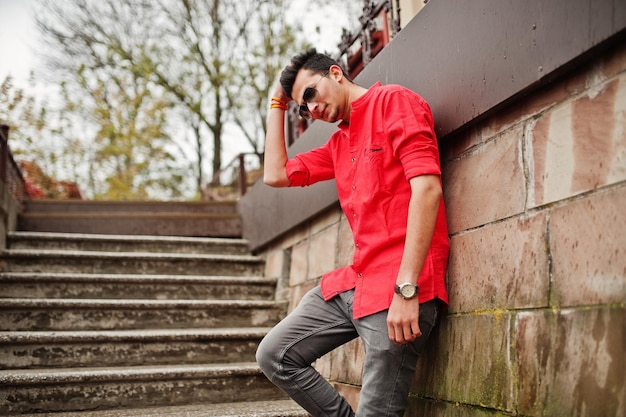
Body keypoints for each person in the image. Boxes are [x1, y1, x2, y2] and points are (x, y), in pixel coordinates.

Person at [256, 48, 449, 417]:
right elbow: (276, 174)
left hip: (398, 289)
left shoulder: (394, 102)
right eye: (302, 108)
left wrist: (407, 290)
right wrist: (276, 105)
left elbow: (428, 190)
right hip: (355, 283)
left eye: (310, 93)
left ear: (336, 73)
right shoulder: (338, 144)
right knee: (274, 354)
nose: (310, 110)